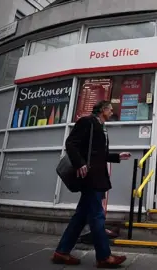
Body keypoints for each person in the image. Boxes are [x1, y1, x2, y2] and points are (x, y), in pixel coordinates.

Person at [51, 100, 131, 268]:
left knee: (80, 217)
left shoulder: (101, 127)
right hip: (90, 177)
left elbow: (99, 154)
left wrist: (117, 157)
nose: (112, 112)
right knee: (97, 216)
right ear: (102, 109)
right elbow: (70, 143)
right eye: (110, 109)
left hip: (96, 176)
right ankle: (104, 257)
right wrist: (80, 163)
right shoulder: (87, 121)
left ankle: (61, 252)